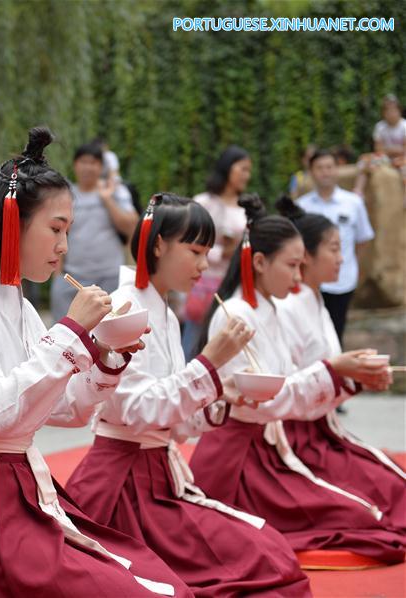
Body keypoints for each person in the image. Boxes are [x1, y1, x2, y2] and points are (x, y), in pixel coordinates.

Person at [0, 127, 188, 598]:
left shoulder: (22, 305)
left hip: (18, 486)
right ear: (14, 223)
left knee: (159, 582)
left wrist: (106, 360)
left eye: (67, 231)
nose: (63, 246)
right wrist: (71, 334)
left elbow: (64, 411)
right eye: (55, 229)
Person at [67, 193, 311, 596]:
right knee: (265, 560)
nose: (204, 265)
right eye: (195, 251)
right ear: (159, 243)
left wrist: (221, 395)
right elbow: (136, 410)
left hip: (159, 474)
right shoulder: (127, 306)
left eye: (208, 253)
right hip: (124, 486)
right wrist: (209, 366)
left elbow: (174, 422)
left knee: (271, 551)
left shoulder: (161, 307)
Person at [190, 195, 404, 568]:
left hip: (271, 444)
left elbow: (282, 386)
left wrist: (347, 375)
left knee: (376, 507)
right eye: (292, 264)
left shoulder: (268, 306)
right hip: (242, 459)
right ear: (259, 262)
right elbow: (266, 398)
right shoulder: (237, 314)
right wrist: (336, 370)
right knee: (368, 516)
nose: (297, 275)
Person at [276, 197, 404, 538]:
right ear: (306, 255)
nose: (342, 258)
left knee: (395, 484)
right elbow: (282, 389)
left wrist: (358, 376)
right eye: (334, 249)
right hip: (297, 438)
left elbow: (327, 373)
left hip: (324, 429)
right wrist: (339, 370)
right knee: (377, 508)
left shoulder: (315, 298)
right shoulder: (288, 306)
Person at [50, 140, 138, 321]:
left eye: (93, 162)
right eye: (83, 162)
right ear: (75, 164)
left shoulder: (115, 191)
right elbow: (57, 234)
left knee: (109, 334)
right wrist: (57, 275)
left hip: (109, 278)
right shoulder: (66, 195)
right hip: (72, 279)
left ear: (101, 167)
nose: (88, 167)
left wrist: (107, 200)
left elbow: (132, 226)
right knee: (66, 330)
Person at [296, 149, 375, 343]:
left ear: (337, 170)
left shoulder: (353, 203)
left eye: (330, 167)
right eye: (320, 168)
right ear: (311, 171)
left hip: (343, 279)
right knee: (307, 332)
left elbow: (363, 239)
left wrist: (345, 262)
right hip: (309, 281)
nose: (325, 172)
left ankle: (333, 370)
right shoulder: (301, 207)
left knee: (335, 332)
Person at [181, 145, 250, 360]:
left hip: (231, 282)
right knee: (193, 339)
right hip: (201, 279)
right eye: (243, 169)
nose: (246, 175)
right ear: (228, 168)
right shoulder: (204, 202)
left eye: (249, 171)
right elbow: (186, 243)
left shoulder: (245, 208)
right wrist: (222, 252)